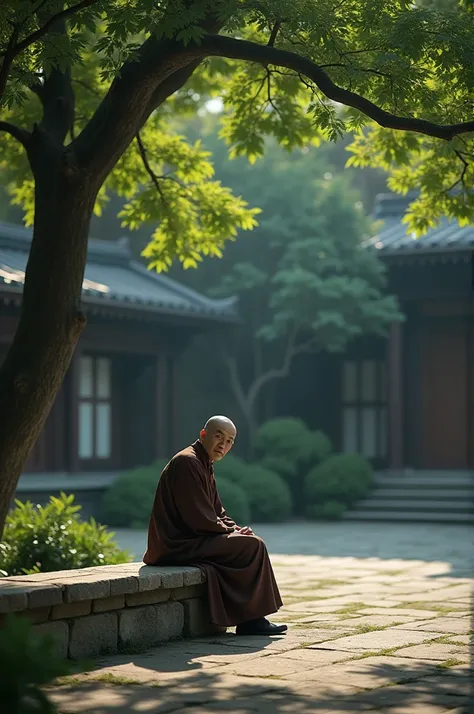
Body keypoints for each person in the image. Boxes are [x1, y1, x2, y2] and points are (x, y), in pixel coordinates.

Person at [143, 415, 287, 636]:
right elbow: (198, 518)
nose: (223, 444)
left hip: (193, 538)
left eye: (229, 441)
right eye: (218, 437)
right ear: (203, 435)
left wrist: (235, 528)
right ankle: (251, 620)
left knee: (248, 543)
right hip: (176, 544)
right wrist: (231, 532)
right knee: (253, 547)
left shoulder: (203, 463)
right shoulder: (187, 462)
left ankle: (250, 618)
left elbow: (217, 511)